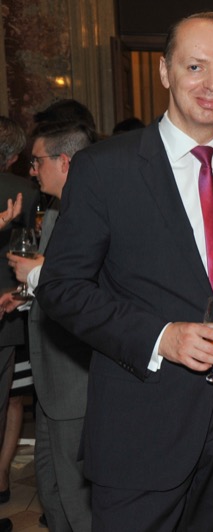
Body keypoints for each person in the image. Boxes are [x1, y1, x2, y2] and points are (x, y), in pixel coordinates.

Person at [34, 12, 213, 531]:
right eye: (195, 66)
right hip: (142, 429)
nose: (212, 85)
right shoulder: (106, 168)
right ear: (164, 71)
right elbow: (61, 288)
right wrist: (161, 336)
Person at [0, 121, 96, 531]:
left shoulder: (91, 212)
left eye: (38, 161)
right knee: (51, 479)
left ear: (65, 162)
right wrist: (24, 295)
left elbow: (91, 287)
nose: (32, 170)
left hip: (73, 374)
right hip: (49, 371)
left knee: (76, 487)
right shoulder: (57, 209)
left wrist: (41, 272)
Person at [0, 116, 38, 513]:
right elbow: (32, 248)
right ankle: (1, 477)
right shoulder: (24, 191)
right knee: (9, 400)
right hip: (11, 305)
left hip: (11, 303)